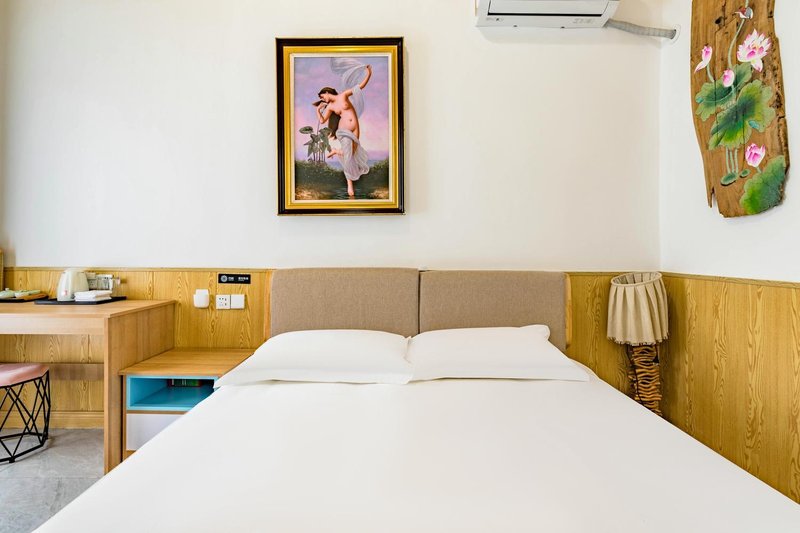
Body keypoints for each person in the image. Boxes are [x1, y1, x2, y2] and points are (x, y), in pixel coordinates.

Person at [313, 64, 372, 197]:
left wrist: (369, 73)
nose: (322, 99)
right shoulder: (330, 107)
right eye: (321, 99)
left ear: (327, 92)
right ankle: (349, 184)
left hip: (355, 128)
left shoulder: (343, 95)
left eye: (322, 97)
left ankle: (336, 151)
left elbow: (360, 87)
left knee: (352, 154)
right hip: (343, 130)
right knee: (348, 155)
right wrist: (318, 110)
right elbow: (322, 121)